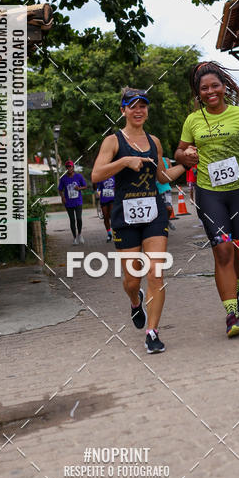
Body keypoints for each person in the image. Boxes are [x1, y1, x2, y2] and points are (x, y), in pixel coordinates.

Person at [174, 61, 239, 338]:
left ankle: (238, 285)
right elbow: (179, 152)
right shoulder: (193, 120)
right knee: (223, 250)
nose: (210, 91)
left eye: (215, 86)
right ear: (198, 93)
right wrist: (185, 155)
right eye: (204, 88)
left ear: (224, 87)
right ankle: (231, 313)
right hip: (209, 192)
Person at [91, 88, 185, 353]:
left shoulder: (154, 142)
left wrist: (188, 165)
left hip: (154, 213)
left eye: (143, 106)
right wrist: (124, 161)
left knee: (156, 273)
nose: (139, 110)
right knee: (132, 280)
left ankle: (152, 332)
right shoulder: (113, 141)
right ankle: (135, 300)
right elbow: (96, 175)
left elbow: (162, 177)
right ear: (123, 110)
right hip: (125, 217)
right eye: (133, 106)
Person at [58, 160, 87, 245]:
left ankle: (80, 234)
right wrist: (63, 197)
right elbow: (60, 189)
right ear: (66, 168)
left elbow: (85, 186)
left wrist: (79, 188)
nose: (69, 168)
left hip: (78, 201)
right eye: (67, 167)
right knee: (72, 220)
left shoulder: (78, 176)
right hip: (68, 202)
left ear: (73, 167)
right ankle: (74, 238)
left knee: (79, 218)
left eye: (70, 166)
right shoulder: (63, 178)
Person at [156, 155, 176, 230]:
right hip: (154, 189)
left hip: (165, 188)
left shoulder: (166, 160)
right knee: (157, 211)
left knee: (169, 208)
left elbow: (172, 173)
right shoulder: (150, 159)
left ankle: (166, 221)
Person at [96, 175, 115, 241]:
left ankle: (115, 232)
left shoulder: (114, 176)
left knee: (112, 215)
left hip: (113, 199)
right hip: (104, 199)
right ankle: (109, 234)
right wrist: (98, 193)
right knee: (106, 216)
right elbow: (97, 188)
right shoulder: (102, 176)